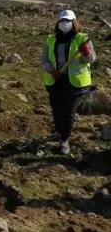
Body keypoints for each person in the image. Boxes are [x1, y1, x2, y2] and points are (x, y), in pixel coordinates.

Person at [41, 10, 96, 155]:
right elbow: (44, 59)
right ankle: (59, 132)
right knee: (57, 109)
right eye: (62, 21)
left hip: (75, 83)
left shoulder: (83, 39)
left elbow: (90, 60)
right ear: (58, 23)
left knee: (68, 111)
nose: (65, 24)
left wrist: (86, 52)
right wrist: (52, 71)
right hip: (55, 80)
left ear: (74, 22)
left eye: (68, 21)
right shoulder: (51, 39)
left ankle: (64, 140)